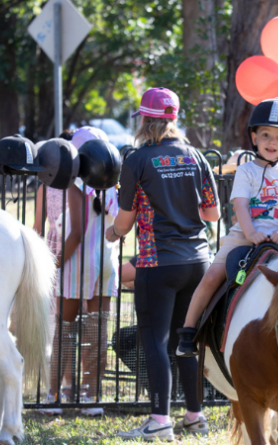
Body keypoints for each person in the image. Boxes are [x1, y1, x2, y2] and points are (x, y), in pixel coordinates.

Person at [105, 87, 219, 440]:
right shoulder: (196, 156)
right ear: (173, 118)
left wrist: (111, 233)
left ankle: (159, 421)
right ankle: (195, 416)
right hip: (199, 261)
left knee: (155, 340)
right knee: (187, 340)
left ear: (144, 119)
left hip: (158, 262)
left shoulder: (137, 160)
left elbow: (124, 223)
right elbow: (213, 212)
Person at [176, 97, 278, 357]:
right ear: (254, 137)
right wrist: (251, 233)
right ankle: (189, 331)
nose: (272, 142)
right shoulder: (246, 171)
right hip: (246, 235)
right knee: (212, 276)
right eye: (266, 135)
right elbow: (241, 207)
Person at [34, 127, 120, 417]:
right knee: (98, 329)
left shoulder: (73, 184)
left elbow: (76, 234)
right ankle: (92, 396)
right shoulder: (109, 186)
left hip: (77, 264)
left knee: (65, 330)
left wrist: (53, 265)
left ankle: (55, 395)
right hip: (106, 263)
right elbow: (116, 224)